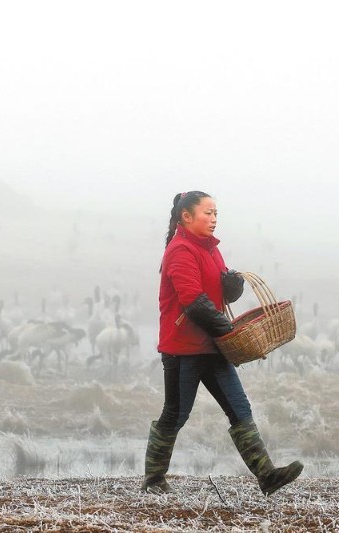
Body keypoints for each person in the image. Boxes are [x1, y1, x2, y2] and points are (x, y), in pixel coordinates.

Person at [142, 190, 303, 496]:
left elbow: (217, 297)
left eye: (216, 214)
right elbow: (193, 302)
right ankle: (153, 479)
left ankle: (267, 476)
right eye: (208, 213)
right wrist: (226, 329)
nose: (214, 219)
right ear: (186, 217)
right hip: (183, 349)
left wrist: (232, 288)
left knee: (239, 407)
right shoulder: (180, 250)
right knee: (175, 414)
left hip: (212, 345)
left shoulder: (211, 250)